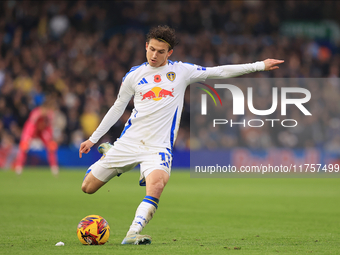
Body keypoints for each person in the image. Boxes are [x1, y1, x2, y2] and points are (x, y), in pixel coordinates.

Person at [79, 25, 284, 245]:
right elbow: (117, 108)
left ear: (169, 53)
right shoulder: (134, 75)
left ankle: (133, 232)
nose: (155, 55)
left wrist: (259, 65)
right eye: (152, 49)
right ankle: (110, 151)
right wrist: (93, 138)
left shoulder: (181, 72)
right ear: (146, 46)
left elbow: (219, 71)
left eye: (160, 51)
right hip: (129, 141)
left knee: (157, 184)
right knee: (88, 188)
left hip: (158, 147)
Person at [14, 97, 59, 175]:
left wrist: (50, 137)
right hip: (32, 129)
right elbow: (30, 126)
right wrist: (28, 138)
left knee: (51, 146)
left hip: (42, 131)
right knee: (24, 146)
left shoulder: (50, 115)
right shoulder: (36, 113)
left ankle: (54, 167)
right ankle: (19, 166)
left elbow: (49, 128)